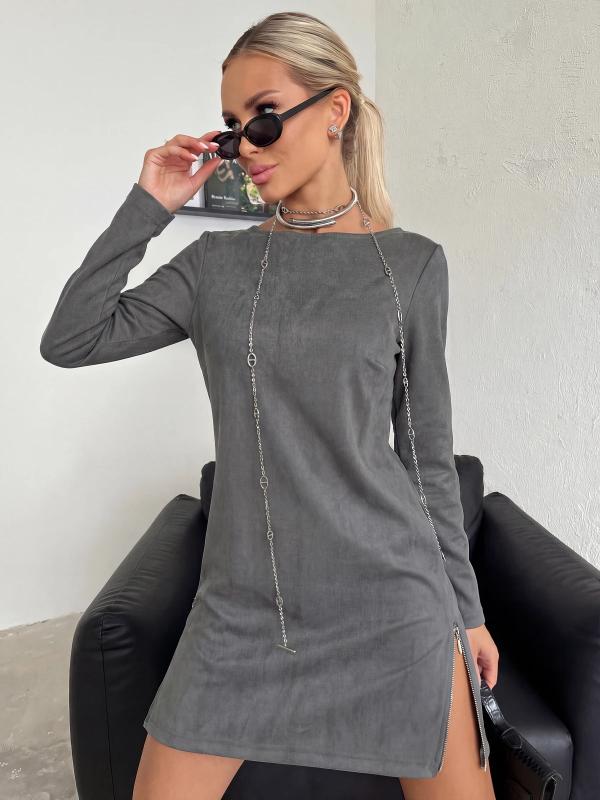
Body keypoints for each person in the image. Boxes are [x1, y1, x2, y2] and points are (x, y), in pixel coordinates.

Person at [40, 11, 499, 800]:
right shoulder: (215, 265)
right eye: (231, 127)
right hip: (247, 614)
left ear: (335, 109)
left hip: (395, 607)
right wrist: (149, 204)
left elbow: (426, 459)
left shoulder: (413, 267)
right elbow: (72, 338)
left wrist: (469, 611)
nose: (244, 145)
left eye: (262, 116)